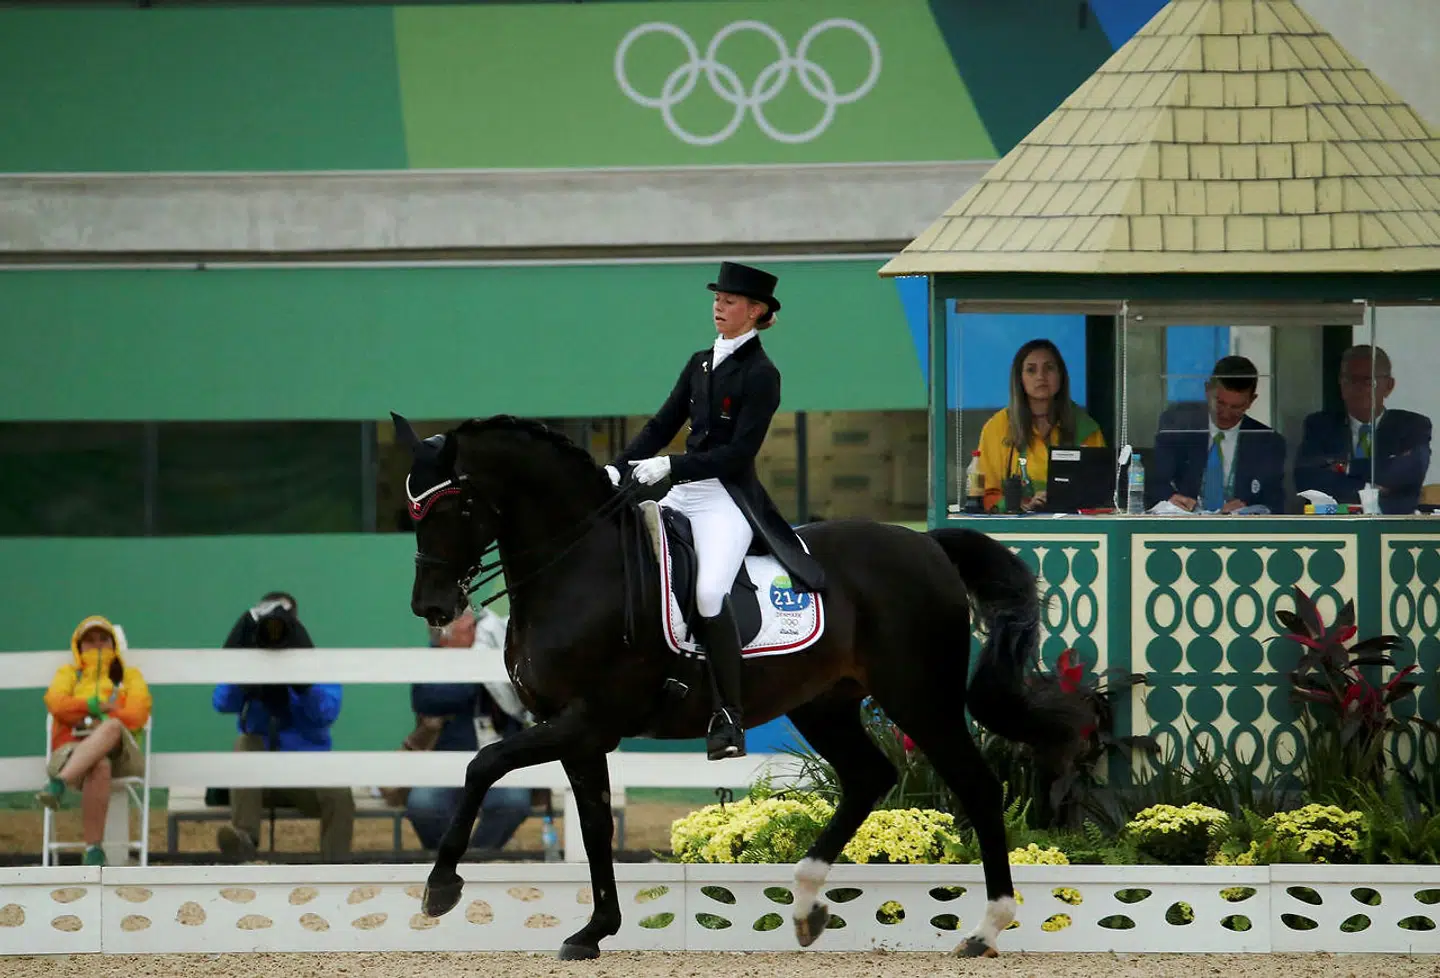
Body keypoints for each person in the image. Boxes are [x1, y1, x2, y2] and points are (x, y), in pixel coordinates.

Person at [605, 260, 825, 761]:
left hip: (725, 499)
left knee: (708, 593)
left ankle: (728, 715)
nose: (719, 307)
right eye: (717, 299)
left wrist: (672, 466)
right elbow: (661, 425)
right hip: (682, 493)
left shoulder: (762, 374)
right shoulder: (700, 362)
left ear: (755, 311)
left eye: (729, 301)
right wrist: (618, 469)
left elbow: (737, 454)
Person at [211, 592, 354, 862]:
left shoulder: (317, 665)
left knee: (340, 794)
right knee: (245, 742)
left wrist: (302, 683)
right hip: (257, 781)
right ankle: (244, 841)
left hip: (306, 775)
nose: (275, 634)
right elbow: (221, 702)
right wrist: (244, 673)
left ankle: (335, 867)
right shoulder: (249, 665)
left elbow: (326, 713)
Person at [386, 606, 533, 852]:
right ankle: (449, 857)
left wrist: (485, 665)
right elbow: (426, 701)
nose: (477, 632)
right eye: (469, 629)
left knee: (512, 803)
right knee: (423, 807)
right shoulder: (430, 663)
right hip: (444, 760)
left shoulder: (498, 650)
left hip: (499, 759)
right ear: (446, 639)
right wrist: (477, 676)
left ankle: (474, 859)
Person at [36, 615, 152, 866]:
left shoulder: (129, 676)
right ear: (79, 647)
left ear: (113, 644)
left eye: (103, 639)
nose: (97, 644)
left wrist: (97, 719)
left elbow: (137, 714)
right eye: (89, 640)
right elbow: (56, 703)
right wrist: (93, 705)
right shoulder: (69, 674)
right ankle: (94, 852)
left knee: (111, 728)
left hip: (120, 754)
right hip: (72, 750)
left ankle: (58, 784)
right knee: (99, 765)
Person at [1293, 344, 1432, 514]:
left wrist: (1346, 467)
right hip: (1338, 521)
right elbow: (1306, 478)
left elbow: (1410, 472)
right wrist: (1369, 488)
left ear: (1389, 386)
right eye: (1351, 380)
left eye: (1368, 381)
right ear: (1341, 384)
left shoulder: (1411, 425)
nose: (1358, 388)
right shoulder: (1320, 425)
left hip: (1394, 522)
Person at [976, 338, 1106, 512]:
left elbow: (1101, 493)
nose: (1041, 376)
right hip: (1016, 525)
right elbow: (985, 495)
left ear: (1061, 375)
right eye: (1031, 370)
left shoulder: (1086, 428)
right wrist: (1021, 505)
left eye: (1049, 368)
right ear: (1019, 378)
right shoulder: (997, 428)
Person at [1148, 355, 1287, 514]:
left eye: (1236, 407)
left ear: (1251, 401)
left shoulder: (1268, 442)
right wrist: (1171, 498)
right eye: (1220, 403)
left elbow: (1275, 502)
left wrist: (1248, 507)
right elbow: (1154, 483)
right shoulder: (1177, 428)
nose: (1226, 414)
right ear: (1207, 390)